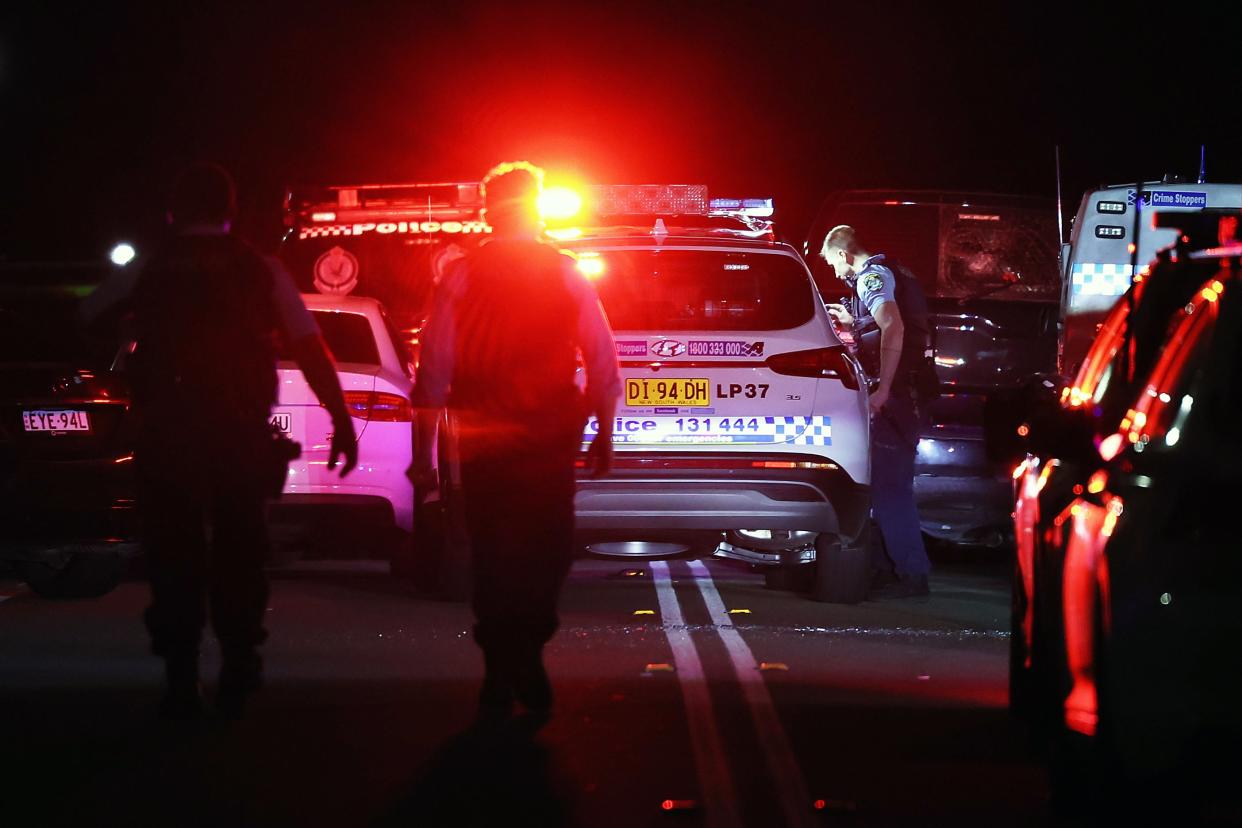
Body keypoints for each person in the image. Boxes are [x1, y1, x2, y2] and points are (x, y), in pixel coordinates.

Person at [81, 163, 358, 719]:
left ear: (172, 212)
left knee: (174, 554)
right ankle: (239, 663)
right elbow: (309, 346)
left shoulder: (150, 269)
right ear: (231, 212)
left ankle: (181, 677)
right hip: (237, 432)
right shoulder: (261, 269)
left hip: (168, 434)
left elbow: (86, 315)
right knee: (241, 549)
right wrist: (340, 417)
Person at [409, 161, 620, 722]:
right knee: (545, 552)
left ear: (486, 210)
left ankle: (501, 665)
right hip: (546, 438)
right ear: (536, 207)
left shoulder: (461, 276)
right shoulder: (565, 272)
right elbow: (602, 359)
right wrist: (605, 434)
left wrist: (422, 456)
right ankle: (525, 651)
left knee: (493, 554)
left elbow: (433, 370)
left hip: (483, 439)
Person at [821, 225, 934, 600]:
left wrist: (884, 389)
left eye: (832, 264)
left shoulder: (871, 277)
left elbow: (893, 327)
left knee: (890, 487)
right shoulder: (892, 272)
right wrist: (856, 323)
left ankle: (912, 574)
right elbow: (887, 324)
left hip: (900, 394)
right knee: (883, 485)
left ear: (842, 254)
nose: (835, 274)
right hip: (912, 390)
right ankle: (887, 568)